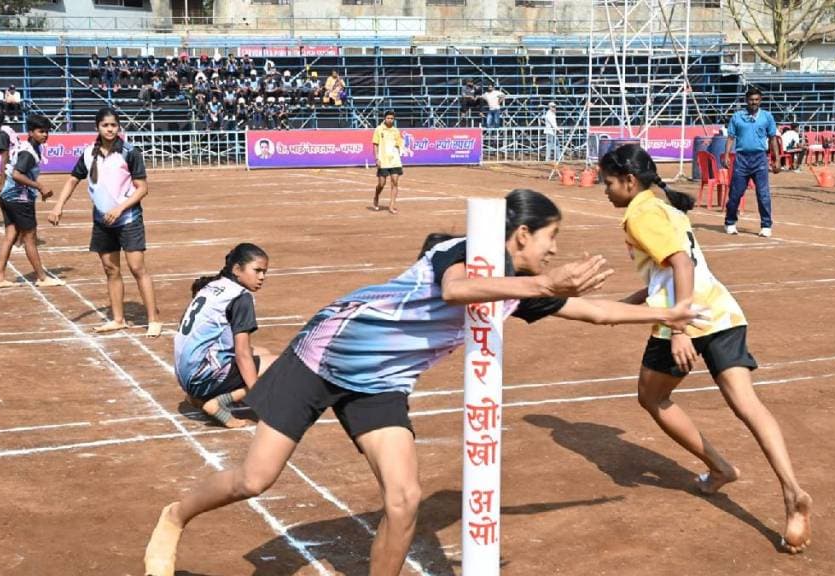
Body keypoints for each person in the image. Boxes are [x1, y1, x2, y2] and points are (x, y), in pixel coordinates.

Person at [143, 188, 705, 576]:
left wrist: (668, 315)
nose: (554, 251)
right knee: (255, 479)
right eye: (550, 239)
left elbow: (595, 312)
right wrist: (546, 285)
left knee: (405, 500)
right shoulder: (458, 252)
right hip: (323, 353)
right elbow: (457, 291)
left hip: (380, 382)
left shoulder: (515, 289)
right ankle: (174, 516)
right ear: (521, 235)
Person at [599, 143, 812, 555]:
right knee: (748, 405)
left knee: (652, 396)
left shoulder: (640, 215)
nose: (604, 190)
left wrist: (678, 327)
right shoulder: (666, 208)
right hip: (722, 312)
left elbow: (681, 264)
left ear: (629, 182)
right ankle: (791, 492)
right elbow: (672, 269)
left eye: (608, 183)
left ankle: (719, 467)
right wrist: (631, 302)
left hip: (686, 319)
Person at [49, 107, 162, 337]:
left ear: (119, 127)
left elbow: (143, 189)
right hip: (102, 221)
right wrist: (58, 206)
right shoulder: (89, 152)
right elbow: (73, 180)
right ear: (97, 127)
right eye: (105, 125)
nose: (110, 129)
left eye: (113, 125)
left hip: (129, 219)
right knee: (111, 270)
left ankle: (153, 319)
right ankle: (118, 318)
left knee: (137, 268)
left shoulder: (130, 152)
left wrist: (119, 208)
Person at [174, 243, 278, 428]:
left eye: (265, 272)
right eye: (257, 271)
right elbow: (242, 353)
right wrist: (259, 398)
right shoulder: (241, 297)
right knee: (278, 364)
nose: (262, 277)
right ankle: (218, 402)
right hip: (202, 376)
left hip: (186, 374)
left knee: (263, 351)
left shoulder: (214, 285)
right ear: (237, 269)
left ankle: (198, 398)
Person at [0, 115, 66, 289]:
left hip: (8, 196)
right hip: (18, 199)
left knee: (10, 237)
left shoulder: (27, 147)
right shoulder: (28, 152)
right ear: (31, 132)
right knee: (30, 237)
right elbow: (17, 174)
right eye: (41, 131)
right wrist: (39, 186)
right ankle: (41, 277)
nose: (45, 135)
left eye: (47, 132)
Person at [724, 87, 779, 238]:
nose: (754, 102)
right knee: (735, 193)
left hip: (760, 158)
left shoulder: (767, 117)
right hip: (741, 158)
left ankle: (766, 225)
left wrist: (777, 159)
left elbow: (773, 138)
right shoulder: (737, 116)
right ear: (746, 100)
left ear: (760, 101)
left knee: (763, 194)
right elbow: (730, 137)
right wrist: (727, 155)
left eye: (756, 100)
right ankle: (730, 222)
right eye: (751, 100)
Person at [371, 110, 406, 214]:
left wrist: (400, 150)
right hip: (383, 160)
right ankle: (376, 196)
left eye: (392, 118)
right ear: (384, 118)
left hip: (395, 160)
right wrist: (377, 158)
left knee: (395, 182)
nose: (390, 120)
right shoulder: (378, 129)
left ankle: (391, 206)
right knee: (381, 183)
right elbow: (375, 144)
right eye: (388, 118)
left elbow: (400, 143)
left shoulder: (396, 131)